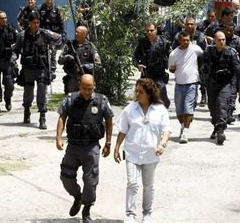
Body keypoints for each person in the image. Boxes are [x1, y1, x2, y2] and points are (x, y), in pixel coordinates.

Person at [56, 74, 114, 223]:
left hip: (91, 147)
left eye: (90, 88)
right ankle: (77, 196)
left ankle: (86, 210)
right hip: (73, 146)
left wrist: (108, 143)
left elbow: (109, 121)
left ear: (94, 85)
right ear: (79, 86)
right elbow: (62, 117)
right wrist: (58, 137)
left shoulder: (102, 101)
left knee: (90, 181)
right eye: (84, 88)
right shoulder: (71, 99)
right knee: (65, 176)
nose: (87, 91)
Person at [113, 78, 170, 223]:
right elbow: (123, 130)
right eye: (136, 91)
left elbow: (166, 130)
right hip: (132, 153)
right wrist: (117, 147)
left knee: (148, 186)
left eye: (141, 92)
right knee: (132, 183)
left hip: (151, 154)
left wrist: (162, 145)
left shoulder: (160, 110)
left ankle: (147, 214)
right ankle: (130, 215)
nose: (137, 94)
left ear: (150, 93)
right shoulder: (130, 109)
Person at [11, 11, 60, 129]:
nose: (36, 25)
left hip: (41, 68)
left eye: (38, 22)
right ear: (29, 23)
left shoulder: (45, 33)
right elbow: (16, 50)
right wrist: (13, 60)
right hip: (28, 69)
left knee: (42, 92)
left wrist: (53, 49)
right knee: (28, 92)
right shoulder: (22, 35)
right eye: (34, 22)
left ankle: (42, 117)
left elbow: (59, 38)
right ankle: (27, 111)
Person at [202, 31, 240, 145]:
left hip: (226, 83)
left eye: (223, 40)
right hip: (212, 83)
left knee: (222, 105)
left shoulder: (230, 53)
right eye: (219, 40)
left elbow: (238, 70)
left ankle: (221, 130)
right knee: (212, 107)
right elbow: (201, 65)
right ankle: (216, 127)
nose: (222, 42)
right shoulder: (208, 52)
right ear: (214, 41)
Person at [168, 31, 203, 143]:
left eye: (188, 40)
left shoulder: (195, 49)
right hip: (179, 84)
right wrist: (174, 69)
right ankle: (183, 126)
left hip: (192, 83)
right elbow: (171, 68)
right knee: (179, 111)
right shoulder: (173, 54)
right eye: (184, 40)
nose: (187, 42)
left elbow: (204, 56)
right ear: (179, 40)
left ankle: (185, 132)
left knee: (188, 108)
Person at [132, 22, 171, 108]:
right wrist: (138, 65)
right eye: (147, 31)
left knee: (163, 99)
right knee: (142, 99)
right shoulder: (142, 43)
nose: (149, 32)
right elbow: (134, 57)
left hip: (159, 76)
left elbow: (171, 56)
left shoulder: (164, 42)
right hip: (146, 75)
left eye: (151, 30)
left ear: (156, 30)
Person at [172, 17, 208, 106]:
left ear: (195, 25)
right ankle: (189, 99)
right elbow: (173, 49)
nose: (190, 26)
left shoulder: (200, 36)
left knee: (202, 79)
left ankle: (203, 95)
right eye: (188, 24)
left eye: (192, 24)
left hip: (198, 62)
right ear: (185, 25)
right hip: (184, 62)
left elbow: (205, 50)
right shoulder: (179, 36)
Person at [58, 26, 102, 94]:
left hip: (86, 79)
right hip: (72, 79)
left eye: (78, 32)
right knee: (72, 101)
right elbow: (60, 61)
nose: (76, 34)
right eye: (76, 32)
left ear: (84, 34)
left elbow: (98, 65)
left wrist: (83, 67)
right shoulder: (70, 45)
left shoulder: (90, 47)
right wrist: (67, 57)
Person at [223, 21, 240, 124]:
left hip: (233, 71)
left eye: (231, 30)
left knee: (232, 93)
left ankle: (230, 114)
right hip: (221, 70)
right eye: (227, 30)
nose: (228, 32)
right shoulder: (220, 39)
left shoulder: (239, 41)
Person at [39, 0, 65, 80]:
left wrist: (63, 33)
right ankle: (44, 69)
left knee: (53, 51)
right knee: (43, 51)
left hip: (53, 34)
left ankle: (52, 70)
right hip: (43, 34)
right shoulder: (41, 8)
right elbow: (37, 21)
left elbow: (61, 22)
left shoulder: (57, 9)